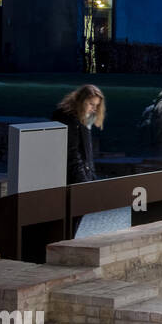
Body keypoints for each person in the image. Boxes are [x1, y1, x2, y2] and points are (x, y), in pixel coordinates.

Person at [52, 84, 104, 236]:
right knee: (68, 218)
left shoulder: (84, 118)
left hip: (80, 175)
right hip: (68, 177)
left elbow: (87, 153)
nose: (93, 109)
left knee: (75, 218)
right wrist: (84, 181)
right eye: (91, 104)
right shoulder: (68, 118)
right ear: (81, 100)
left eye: (96, 105)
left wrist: (91, 178)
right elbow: (72, 153)